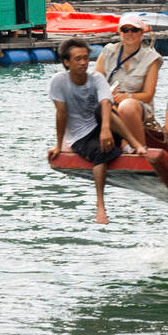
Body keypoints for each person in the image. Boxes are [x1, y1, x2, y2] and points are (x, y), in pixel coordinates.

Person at [48, 37, 124, 224]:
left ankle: (135, 145)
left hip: (100, 125)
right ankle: (100, 204)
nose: (83, 63)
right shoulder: (58, 81)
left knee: (107, 110)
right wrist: (59, 146)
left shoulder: (95, 78)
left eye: (85, 58)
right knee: (99, 151)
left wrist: (105, 129)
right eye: (78, 59)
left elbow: (106, 103)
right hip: (80, 135)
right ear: (66, 62)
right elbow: (61, 114)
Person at [95, 12, 162, 155]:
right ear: (119, 32)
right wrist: (107, 94)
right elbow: (96, 83)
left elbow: (148, 95)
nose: (129, 33)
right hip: (109, 101)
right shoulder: (107, 51)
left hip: (138, 105)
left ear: (142, 32)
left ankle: (138, 147)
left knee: (127, 106)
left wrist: (128, 96)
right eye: (125, 30)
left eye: (134, 30)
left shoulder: (152, 58)